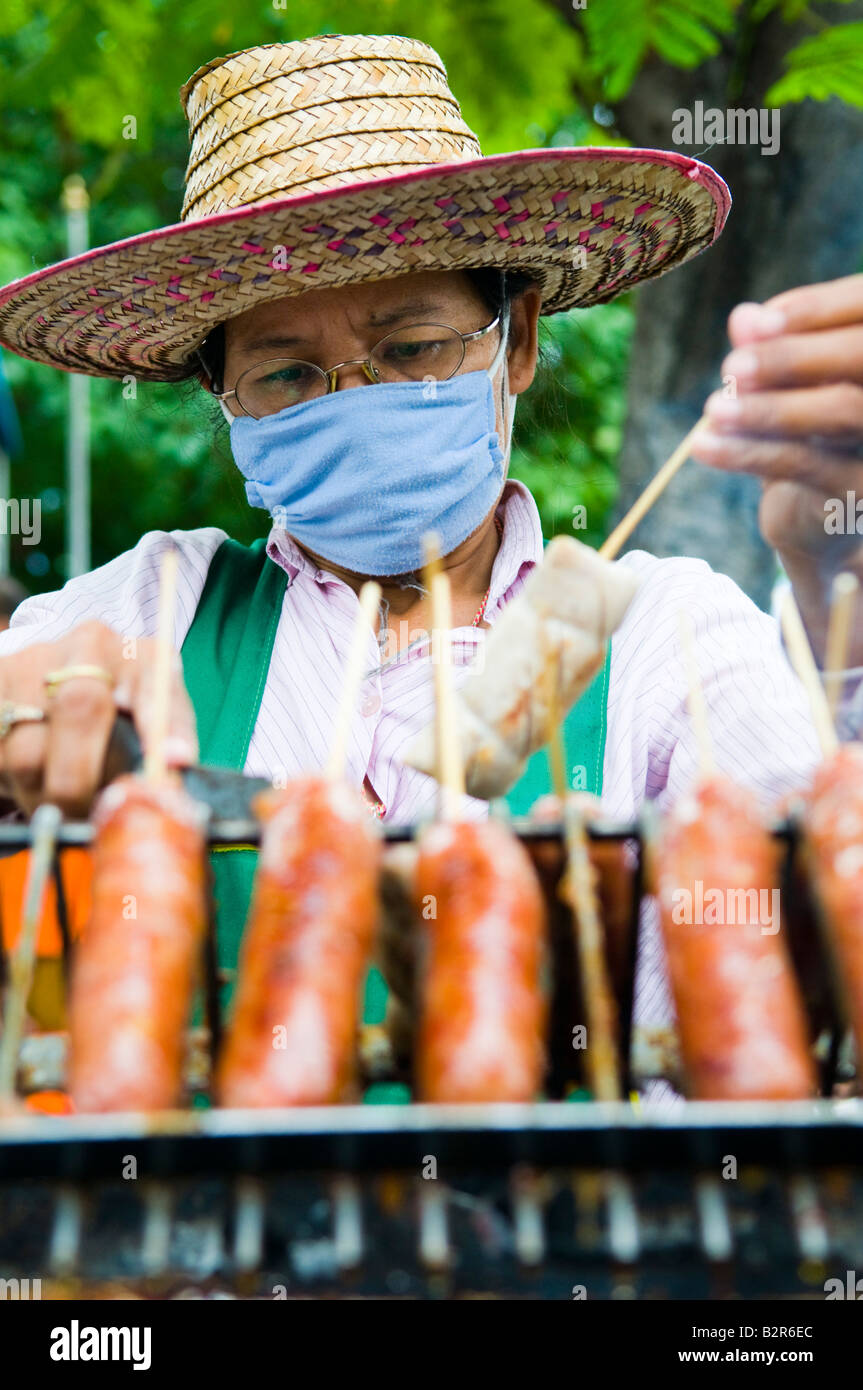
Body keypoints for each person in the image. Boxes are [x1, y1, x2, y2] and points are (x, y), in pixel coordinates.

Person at [0, 33, 856, 1054]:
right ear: (222, 400)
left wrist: (832, 564)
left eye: (410, 348)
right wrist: (34, 709)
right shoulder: (156, 602)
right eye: (286, 377)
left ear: (519, 340)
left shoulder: (669, 631)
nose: (354, 399)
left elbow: (818, 896)